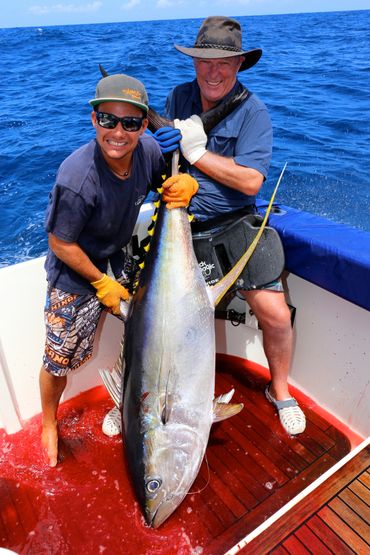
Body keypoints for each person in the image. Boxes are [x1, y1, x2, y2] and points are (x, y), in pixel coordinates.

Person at [103, 16, 306, 437]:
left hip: (232, 224)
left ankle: (280, 391)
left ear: (238, 65)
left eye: (223, 64)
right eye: (204, 62)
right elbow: (162, 161)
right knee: (143, 314)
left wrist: (196, 153)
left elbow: (251, 180)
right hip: (180, 222)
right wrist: (152, 147)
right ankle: (134, 397)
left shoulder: (254, 113)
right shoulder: (179, 96)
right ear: (194, 63)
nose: (213, 72)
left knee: (275, 313)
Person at [40, 73, 198, 467]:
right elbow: (60, 242)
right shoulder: (77, 178)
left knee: (142, 337)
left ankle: (129, 402)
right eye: (108, 120)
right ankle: (47, 420)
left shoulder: (146, 150)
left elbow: (167, 182)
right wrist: (101, 284)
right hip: (75, 276)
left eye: (130, 123)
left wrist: (185, 181)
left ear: (143, 126)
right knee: (58, 360)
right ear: (93, 120)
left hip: (120, 256)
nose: (118, 132)